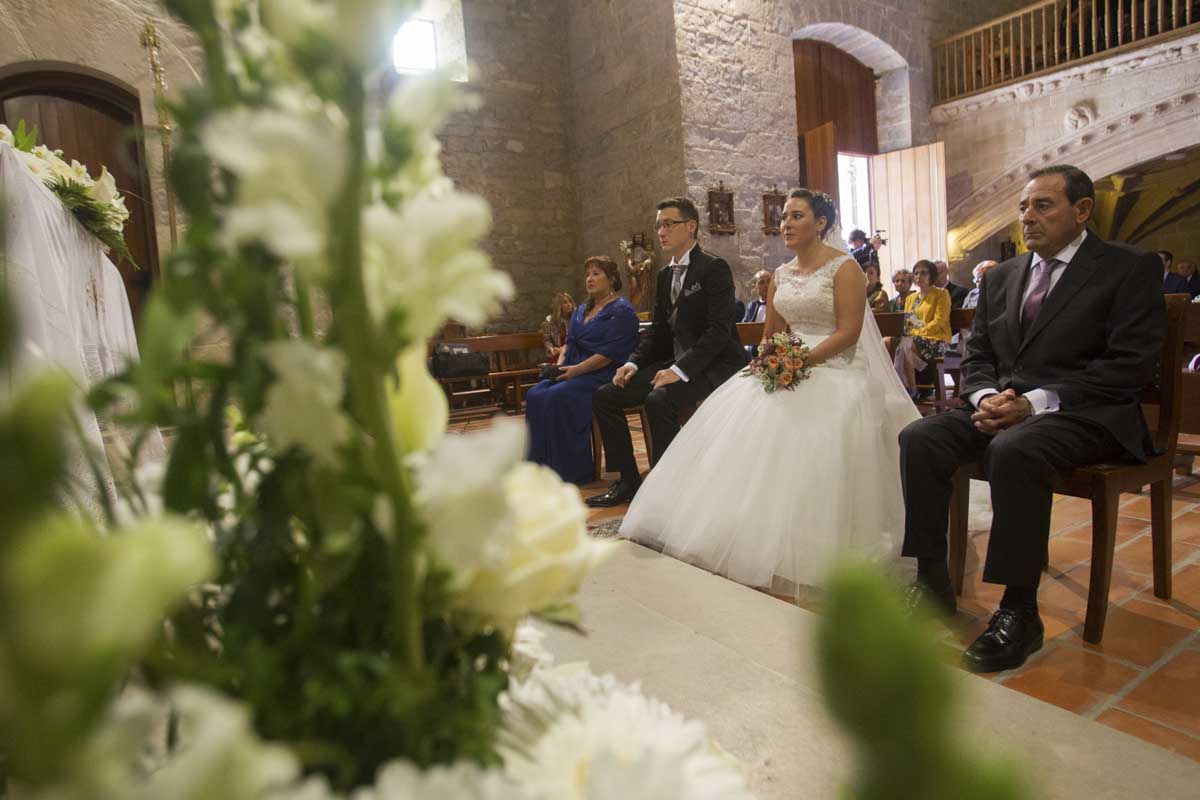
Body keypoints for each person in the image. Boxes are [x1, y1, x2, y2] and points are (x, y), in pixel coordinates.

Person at [899, 165, 1164, 674]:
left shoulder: (1128, 268)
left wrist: (1035, 402)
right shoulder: (1003, 277)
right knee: (920, 437)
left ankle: (1019, 611)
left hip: (1087, 411)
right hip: (1004, 407)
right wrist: (984, 398)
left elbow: (1128, 365)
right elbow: (978, 356)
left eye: (1043, 205)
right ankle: (931, 582)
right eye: (1023, 207)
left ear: (1081, 211)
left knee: (1015, 450)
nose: (1027, 217)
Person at [619, 190, 920, 595]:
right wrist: (768, 361)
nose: (786, 224)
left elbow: (849, 334)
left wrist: (799, 361)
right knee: (742, 411)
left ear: (820, 223)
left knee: (817, 421)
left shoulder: (844, 267)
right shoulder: (780, 274)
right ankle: (744, 527)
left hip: (836, 366)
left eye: (796, 216)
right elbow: (771, 334)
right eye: (784, 217)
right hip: (787, 362)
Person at [586, 197, 746, 507]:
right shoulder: (663, 275)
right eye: (659, 225)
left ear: (691, 226)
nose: (661, 231)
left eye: (668, 224)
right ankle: (628, 481)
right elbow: (658, 331)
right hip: (675, 361)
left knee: (658, 399)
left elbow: (718, 332)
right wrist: (633, 364)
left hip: (715, 363)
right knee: (605, 395)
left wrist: (679, 370)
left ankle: (668, 487)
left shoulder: (714, 268)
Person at [525, 257, 639, 485]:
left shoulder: (622, 310)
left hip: (602, 373)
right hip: (572, 369)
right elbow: (569, 343)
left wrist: (575, 371)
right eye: (587, 274)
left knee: (557, 396)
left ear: (612, 278)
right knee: (535, 394)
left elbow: (608, 354)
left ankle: (568, 471)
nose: (590, 279)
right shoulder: (579, 311)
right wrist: (559, 367)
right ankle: (539, 468)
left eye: (596, 274)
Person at [894, 259, 951, 399]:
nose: (919, 276)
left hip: (937, 339)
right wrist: (913, 333)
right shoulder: (911, 298)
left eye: (924, 273)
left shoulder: (941, 294)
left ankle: (911, 389)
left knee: (906, 344)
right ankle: (897, 385)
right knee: (887, 342)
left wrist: (918, 333)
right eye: (916, 273)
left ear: (932, 275)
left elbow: (939, 322)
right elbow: (908, 322)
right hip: (914, 339)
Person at [541, 291, 575, 362]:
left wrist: (563, 349)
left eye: (570, 301)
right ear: (559, 306)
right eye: (565, 302)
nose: (569, 304)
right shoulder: (550, 322)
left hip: (573, 352)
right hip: (557, 353)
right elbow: (547, 340)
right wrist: (551, 349)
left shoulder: (576, 319)